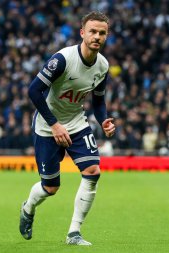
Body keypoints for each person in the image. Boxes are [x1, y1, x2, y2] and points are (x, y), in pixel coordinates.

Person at [19, 11, 115, 246]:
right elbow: (34, 91)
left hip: (76, 123)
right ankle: (28, 207)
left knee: (93, 171)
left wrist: (103, 120)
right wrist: (54, 124)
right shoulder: (62, 59)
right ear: (82, 33)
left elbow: (99, 100)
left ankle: (74, 233)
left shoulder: (102, 65)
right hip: (47, 125)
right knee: (50, 188)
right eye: (92, 31)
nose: (97, 36)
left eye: (102, 33)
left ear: (106, 36)